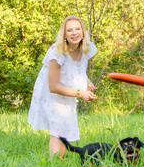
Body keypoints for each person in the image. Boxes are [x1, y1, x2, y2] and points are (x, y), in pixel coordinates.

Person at [27, 15, 97, 158]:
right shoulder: (57, 52)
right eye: (69, 30)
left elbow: (78, 70)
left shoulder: (85, 49)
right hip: (50, 93)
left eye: (77, 29)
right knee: (58, 128)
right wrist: (80, 93)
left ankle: (59, 161)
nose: (74, 33)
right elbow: (53, 86)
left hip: (68, 90)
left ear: (83, 32)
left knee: (64, 127)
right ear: (64, 34)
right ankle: (53, 164)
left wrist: (87, 84)